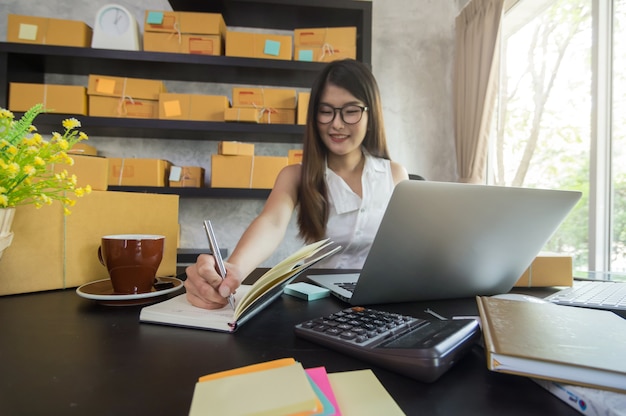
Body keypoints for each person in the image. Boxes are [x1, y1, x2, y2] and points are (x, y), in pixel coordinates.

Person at [185, 58, 409, 309]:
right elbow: (271, 222)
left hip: (381, 302)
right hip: (318, 303)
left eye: (351, 111)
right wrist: (234, 269)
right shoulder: (295, 176)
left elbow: (410, 248)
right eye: (326, 111)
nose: (336, 123)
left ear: (371, 114)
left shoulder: (395, 175)